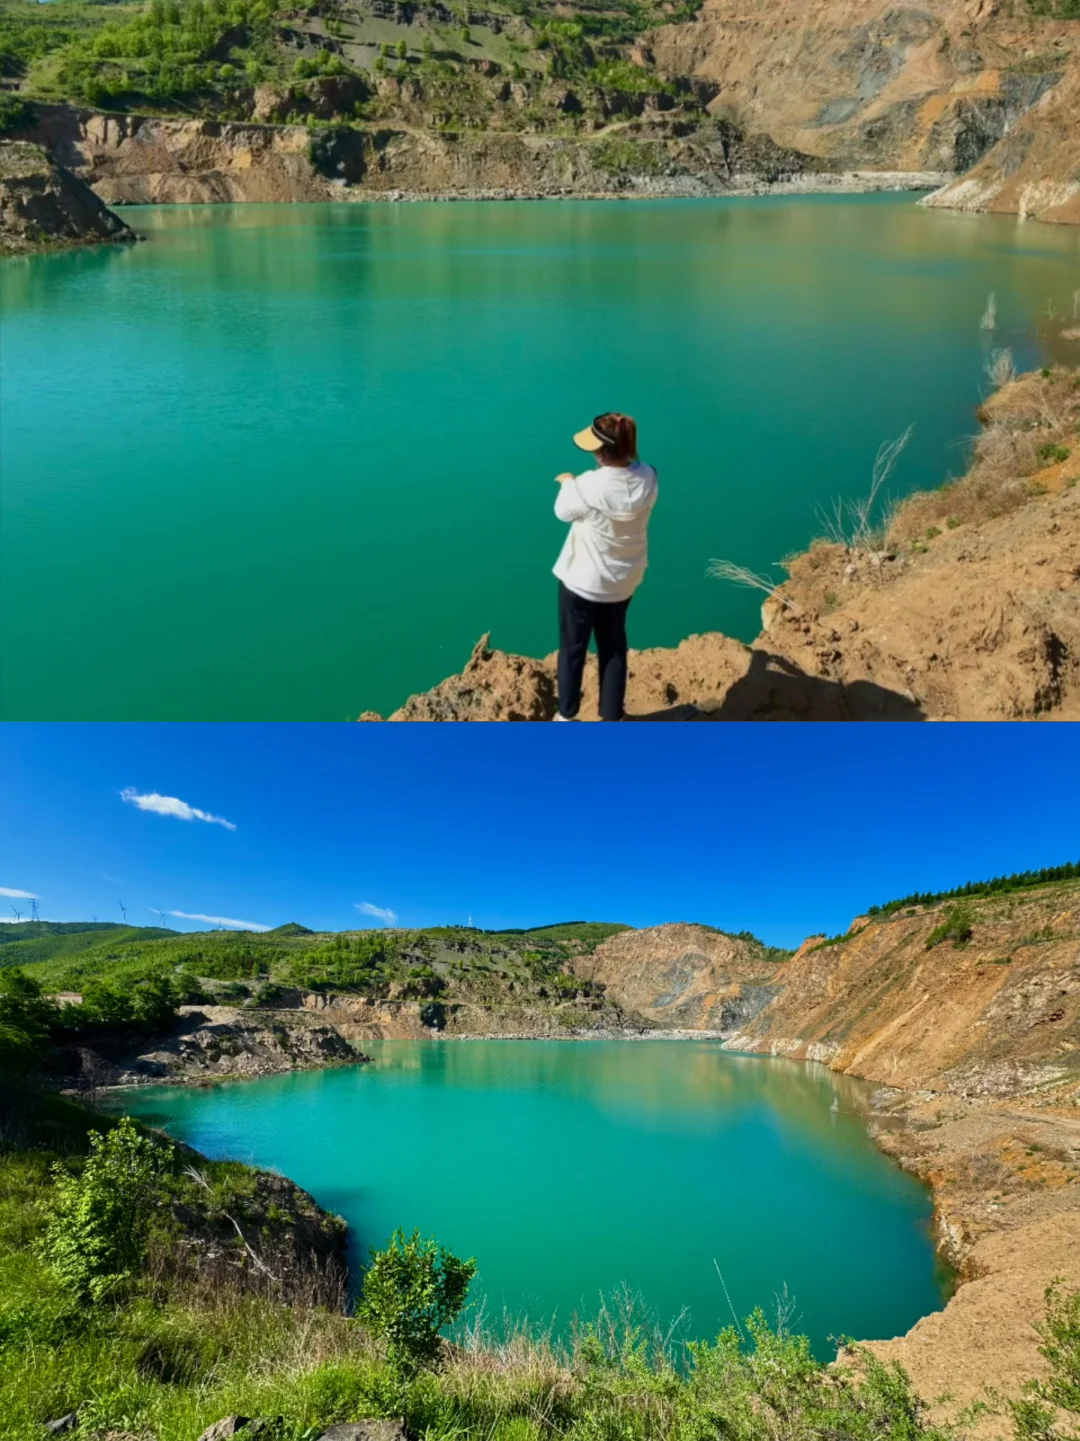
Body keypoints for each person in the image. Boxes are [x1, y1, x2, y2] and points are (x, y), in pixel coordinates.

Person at [552, 412, 658, 721]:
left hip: (582, 585)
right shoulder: (650, 478)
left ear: (603, 451)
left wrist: (568, 482)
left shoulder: (587, 487)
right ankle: (612, 718)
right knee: (613, 646)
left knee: (573, 647)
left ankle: (567, 716)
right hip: (623, 581)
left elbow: (562, 511)